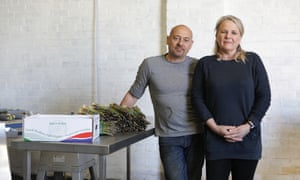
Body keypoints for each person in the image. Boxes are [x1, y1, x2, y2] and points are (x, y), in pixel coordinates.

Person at [191, 15, 271, 180]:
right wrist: (215, 128)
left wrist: (248, 126)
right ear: (216, 35)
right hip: (216, 140)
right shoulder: (205, 64)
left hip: (248, 140)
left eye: (234, 32)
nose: (228, 36)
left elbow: (264, 96)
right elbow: (197, 99)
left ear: (240, 36)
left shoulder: (252, 61)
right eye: (224, 32)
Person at [120, 25, 204, 180]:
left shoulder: (198, 65)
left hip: (197, 135)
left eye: (186, 40)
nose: (180, 43)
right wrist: (116, 118)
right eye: (176, 38)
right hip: (169, 137)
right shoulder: (150, 65)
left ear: (191, 44)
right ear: (168, 39)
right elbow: (133, 95)